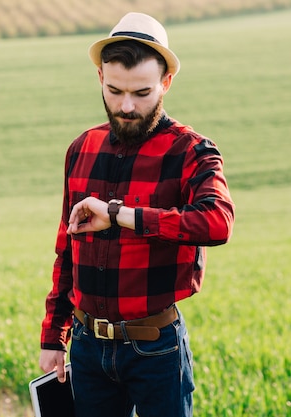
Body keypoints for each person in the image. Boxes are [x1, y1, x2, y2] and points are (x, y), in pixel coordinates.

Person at [39, 12, 235, 417]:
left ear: (166, 82)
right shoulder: (82, 148)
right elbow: (66, 250)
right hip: (87, 347)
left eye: (142, 93)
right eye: (115, 91)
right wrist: (52, 337)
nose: (126, 106)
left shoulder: (192, 151)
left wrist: (120, 215)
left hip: (156, 349)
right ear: (100, 78)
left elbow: (216, 223)